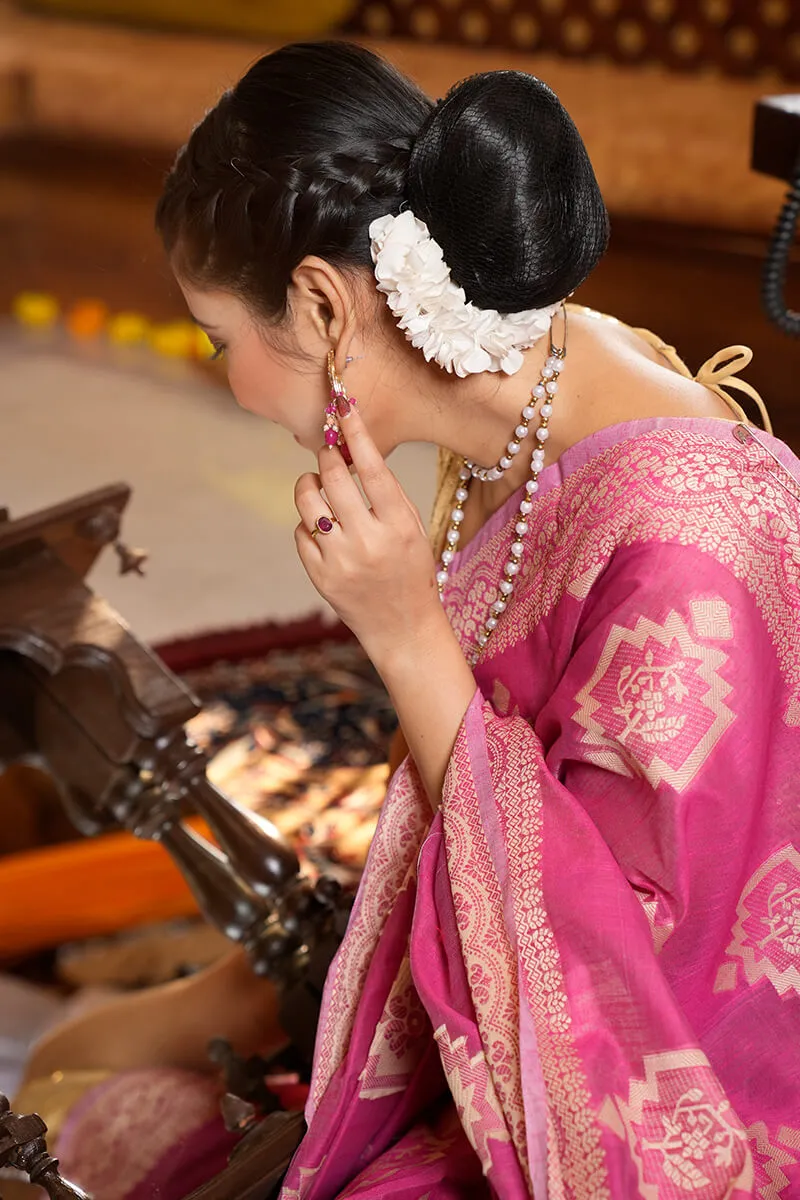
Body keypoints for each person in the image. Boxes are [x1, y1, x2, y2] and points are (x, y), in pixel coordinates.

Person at [34, 37, 800, 1200]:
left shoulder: (678, 548)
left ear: (321, 304)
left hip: (645, 1107)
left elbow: (631, 998)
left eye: (217, 337)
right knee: (97, 1103)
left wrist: (404, 636)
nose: (227, 379)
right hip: (485, 1007)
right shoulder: (524, 389)